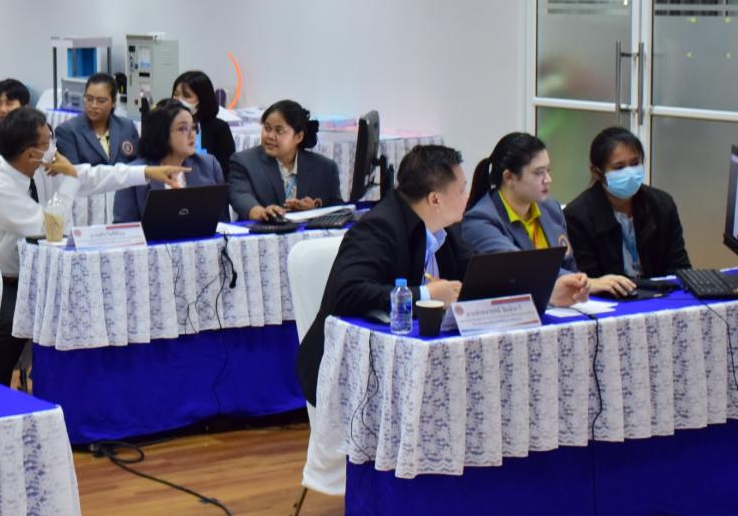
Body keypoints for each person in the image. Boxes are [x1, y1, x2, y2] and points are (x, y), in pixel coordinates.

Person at [295, 145, 590, 404]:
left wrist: (547, 291)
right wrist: (426, 295)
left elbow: (481, 278)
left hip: (423, 363)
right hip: (350, 372)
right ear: (435, 199)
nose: (467, 197)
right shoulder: (378, 229)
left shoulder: (446, 227)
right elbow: (347, 292)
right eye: (461, 190)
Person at [0, 106, 188, 385]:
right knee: (16, 327)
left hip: (39, 272)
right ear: (30, 154)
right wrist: (71, 177)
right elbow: (50, 227)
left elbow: (92, 177)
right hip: (3, 282)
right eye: (47, 142)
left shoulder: (37, 165)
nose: (54, 147)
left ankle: (61, 386)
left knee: (82, 304)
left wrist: (146, 172)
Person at [462, 132, 617, 294]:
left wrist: (581, 283)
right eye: (538, 172)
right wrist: (584, 282)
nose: (548, 179)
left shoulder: (550, 208)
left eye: (548, 170)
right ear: (509, 177)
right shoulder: (480, 220)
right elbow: (518, 268)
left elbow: (569, 264)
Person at [565, 127, 691, 292]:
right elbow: (587, 279)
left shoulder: (662, 205)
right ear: (596, 172)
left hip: (661, 295)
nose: (630, 173)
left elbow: (680, 269)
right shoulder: (577, 216)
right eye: (619, 167)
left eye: (635, 163)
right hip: (610, 299)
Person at [113, 99, 226, 223]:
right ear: (162, 133)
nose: (192, 135)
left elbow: (223, 222)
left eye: (193, 128)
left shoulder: (209, 165)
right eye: (184, 128)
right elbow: (124, 229)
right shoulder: (133, 174)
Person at [228, 100, 342, 220]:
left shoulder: (325, 168)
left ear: (299, 137)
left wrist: (315, 210)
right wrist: (261, 213)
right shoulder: (244, 161)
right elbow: (240, 195)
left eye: (279, 131)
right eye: (267, 128)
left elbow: (338, 210)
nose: (270, 136)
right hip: (262, 229)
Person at [55, 73, 140, 167]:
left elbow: (139, 164)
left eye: (101, 101)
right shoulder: (68, 131)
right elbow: (73, 171)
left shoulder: (127, 127)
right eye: (89, 99)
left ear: (113, 102)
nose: (94, 105)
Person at [173, 70, 236, 176]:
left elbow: (227, 171)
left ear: (202, 99)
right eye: (176, 94)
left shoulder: (219, 128)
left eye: (186, 96)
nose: (178, 100)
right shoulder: (166, 125)